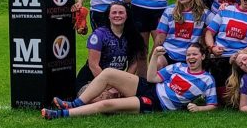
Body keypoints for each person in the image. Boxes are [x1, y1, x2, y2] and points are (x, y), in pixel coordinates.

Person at [42, 44, 217, 119]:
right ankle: (74, 104)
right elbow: (151, 78)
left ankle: (61, 115)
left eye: (194, 54)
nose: (190, 57)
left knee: (107, 105)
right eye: (188, 54)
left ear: (202, 56)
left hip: (157, 103)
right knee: (109, 73)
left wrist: (199, 108)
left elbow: (213, 104)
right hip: (149, 86)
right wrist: (155, 56)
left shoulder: (206, 79)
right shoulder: (177, 66)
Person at [75, 1, 144, 90]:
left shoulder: (133, 35)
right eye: (114, 12)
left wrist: (123, 84)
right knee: (106, 99)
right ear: (108, 16)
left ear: (127, 16)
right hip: (91, 80)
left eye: (121, 12)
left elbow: (134, 63)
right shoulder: (99, 35)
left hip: (117, 81)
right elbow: (93, 65)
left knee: (136, 97)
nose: (117, 15)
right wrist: (108, 87)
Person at [153, 0, 209, 68]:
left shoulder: (204, 13)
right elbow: (160, 36)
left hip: (190, 55)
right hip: (168, 52)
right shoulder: (169, 10)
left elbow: (219, 25)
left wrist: (224, 7)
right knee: (157, 63)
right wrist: (153, 55)